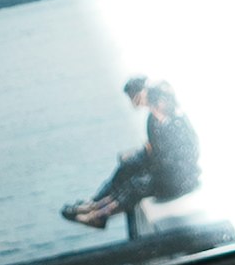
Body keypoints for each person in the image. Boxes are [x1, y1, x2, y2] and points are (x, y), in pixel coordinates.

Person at [64, 78, 202, 231]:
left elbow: (183, 156)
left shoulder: (176, 124)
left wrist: (152, 164)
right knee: (128, 168)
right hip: (167, 172)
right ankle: (96, 205)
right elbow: (154, 150)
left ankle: (101, 214)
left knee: (138, 183)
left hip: (181, 178)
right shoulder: (156, 120)